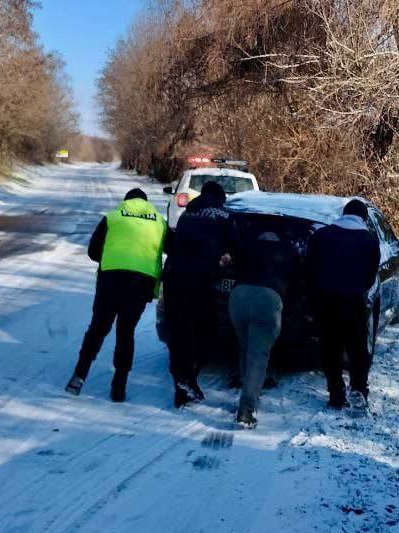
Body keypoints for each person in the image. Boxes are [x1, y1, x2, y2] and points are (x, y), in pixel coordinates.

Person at [66, 187, 166, 402]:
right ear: (146, 203)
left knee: (98, 328)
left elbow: (93, 252)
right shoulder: (159, 222)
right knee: (126, 332)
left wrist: (113, 256)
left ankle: (79, 375)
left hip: (110, 281)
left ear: (125, 202)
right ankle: (119, 387)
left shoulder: (112, 217)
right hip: (141, 283)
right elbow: (174, 248)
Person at [162, 180, 239, 408]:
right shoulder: (225, 217)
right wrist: (226, 258)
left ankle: (183, 382)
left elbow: (175, 243)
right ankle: (187, 380)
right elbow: (237, 248)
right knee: (204, 329)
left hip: (174, 275)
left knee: (179, 331)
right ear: (220, 198)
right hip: (200, 278)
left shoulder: (188, 214)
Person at [305, 197, 381, 410]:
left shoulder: (321, 236)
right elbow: (369, 277)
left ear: (344, 214)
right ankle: (358, 389)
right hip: (353, 302)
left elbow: (309, 268)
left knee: (331, 348)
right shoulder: (369, 241)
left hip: (325, 302)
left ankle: (336, 394)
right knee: (357, 349)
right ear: (363, 218)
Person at [228, 228, 295, 428]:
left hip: (238, 296)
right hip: (268, 297)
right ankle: (246, 409)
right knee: (258, 354)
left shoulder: (247, 248)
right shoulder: (287, 251)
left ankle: (244, 382)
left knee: (245, 346)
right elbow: (299, 277)